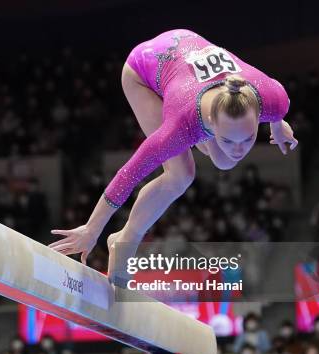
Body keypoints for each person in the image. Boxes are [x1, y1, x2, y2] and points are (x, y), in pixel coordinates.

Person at [48, 28, 297, 281]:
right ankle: (125, 239)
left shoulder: (274, 100)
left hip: (185, 57)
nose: (239, 148)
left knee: (224, 161)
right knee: (181, 175)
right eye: (227, 139)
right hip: (143, 70)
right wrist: (92, 228)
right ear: (211, 123)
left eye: (249, 137)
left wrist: (277, 125)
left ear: (259, 117)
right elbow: (129, 175)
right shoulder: (179, 125)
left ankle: (220, 139)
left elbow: (276, 107)